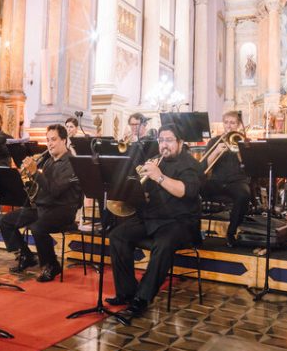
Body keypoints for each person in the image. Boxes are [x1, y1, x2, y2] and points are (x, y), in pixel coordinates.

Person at [107, 124, 204, 318]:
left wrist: (159, 177)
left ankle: (141, 299)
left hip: (181, 222)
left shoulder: (191, 164)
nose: (164, 145)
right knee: (118, 236)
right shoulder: (155, 161)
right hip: (153, 218)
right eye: (161, 141)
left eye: (168, 140)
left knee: (163, 244)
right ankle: (127, 292)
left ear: (180, 142)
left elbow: (185, 191)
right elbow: (145, 194)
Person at [0, 124, 82, 282]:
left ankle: (52, 265)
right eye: (48, 140)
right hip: (44, 206)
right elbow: (41, 187)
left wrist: (35, 172)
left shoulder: (72, 163)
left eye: (54, 140)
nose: (50, 144)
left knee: (37, 227)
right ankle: (26, 255)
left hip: (63, 209)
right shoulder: (49, 161)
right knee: (6, 221)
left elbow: (55, 190)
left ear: (64, 140)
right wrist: (28, 178)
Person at [200, 111, 251, 247]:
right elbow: (204, 166)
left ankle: (231, 232)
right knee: (193, 189)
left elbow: (249, 167)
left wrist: (240, 151)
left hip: (237, 181)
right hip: (216, 181)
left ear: (238, 125)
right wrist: (216, 150)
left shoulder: (245, 142)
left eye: (232, 123)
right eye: (226, 122)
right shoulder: (214, 141)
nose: (229, 126)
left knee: (243, 195)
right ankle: (193, 231)